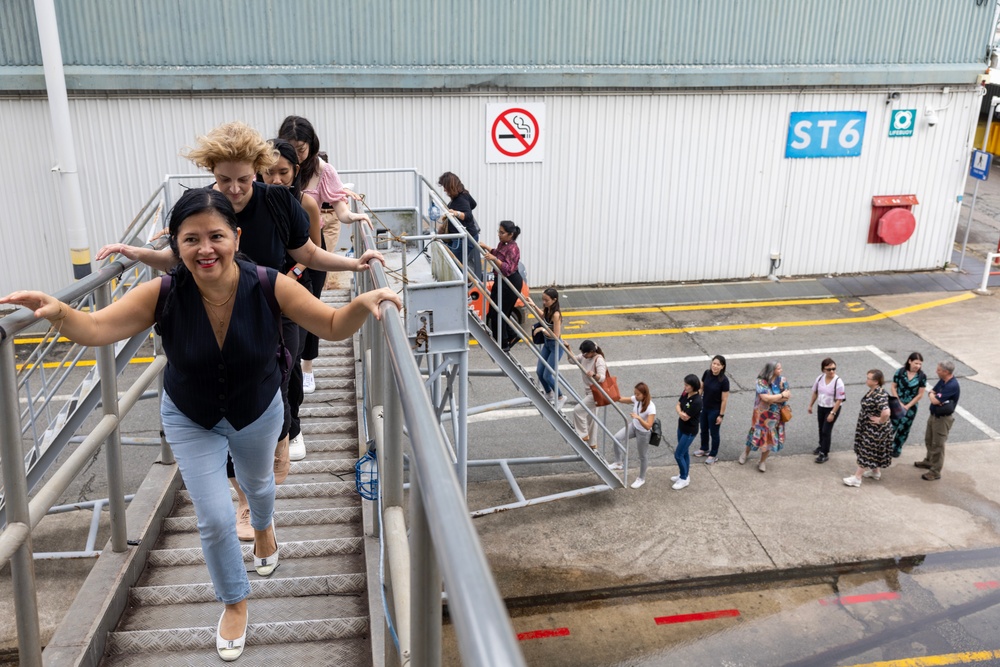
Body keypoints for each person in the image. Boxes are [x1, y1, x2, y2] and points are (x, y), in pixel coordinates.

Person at [1, 189, 401, 662]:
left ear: (236, 236)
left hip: (257, 411)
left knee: (259, 487)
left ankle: (266, 527)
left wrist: (365, 302)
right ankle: (234, 602)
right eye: (191, 239)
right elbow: (96, 329)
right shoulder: (164, 292)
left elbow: (332, 325)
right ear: (176, 245)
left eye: (216, 235)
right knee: (214, 518)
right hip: (191, 417)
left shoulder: (269, 283)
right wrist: (58, 310)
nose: (205, 248)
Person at [95, 121, 383, 537]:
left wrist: (353, 263)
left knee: (282, 382)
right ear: (213, 175)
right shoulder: (206, 207)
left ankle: (280, 436)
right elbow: (181, 257)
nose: (234, 189)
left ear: (259, 171)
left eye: (244, 180)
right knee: (225, 394)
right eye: (224, 180)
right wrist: (139, 253)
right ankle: (246, 503)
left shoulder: (280, 202)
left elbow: (306, 252)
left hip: (275, 303)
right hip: (217, 314)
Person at [277, 115, 369, 259]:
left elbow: (341, 210)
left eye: (301, 149)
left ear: (311, 144)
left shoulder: (323, 170)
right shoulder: (268, 168)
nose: (296, 155)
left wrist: (353, 215)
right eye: (290, 148)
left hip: (311, 244)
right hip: (279, 241)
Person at [843, 370, 894, 487]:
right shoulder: (875, 391)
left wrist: (880, 421)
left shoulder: (879, 395)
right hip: (870, 427)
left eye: (868, 378)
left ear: (876, 381)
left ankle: (857, 478)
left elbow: (886, 412)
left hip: (875, 430)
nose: (866, 380)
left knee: (866, 451)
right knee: (874, 450)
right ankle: (875, 472)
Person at [480, 220, 523, 350]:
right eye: (499, 231)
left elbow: (507, 269)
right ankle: (510, 335)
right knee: (494, 311)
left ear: (511, 234)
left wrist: (495, 259)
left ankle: (504, 343)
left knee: (501, 312)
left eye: (502, 232)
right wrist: (487, 247)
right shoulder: (503, 244)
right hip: (501, 280)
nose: (499, 234)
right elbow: (498, 253)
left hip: (510, 281)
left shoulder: (513, 248)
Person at [740, 361, 790, 473]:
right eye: (778, 368)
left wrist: (773, 398)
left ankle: (762, 461)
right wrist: (780, 395)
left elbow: (787, 397)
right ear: (772, 370)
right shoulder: (761, 381)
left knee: (770, 438)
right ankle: (746, 453)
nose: (781, 370)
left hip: (775, 416)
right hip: (761, 416)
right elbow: (765, 398)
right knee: (754, 436)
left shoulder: (782, 380)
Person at [915, 360, 960, 481]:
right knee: (929, 440)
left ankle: (935, 472)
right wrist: (932, 395)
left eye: (939, 370)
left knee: (938, 445)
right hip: (934, 415)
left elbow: (935, 400)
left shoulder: (952, 385)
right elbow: (932, 392)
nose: (936, 371)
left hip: (943, 419)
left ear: (946, 372)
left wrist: (932, 396)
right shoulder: (943, 380)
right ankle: (929, 461)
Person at [608, 382, 656, 490]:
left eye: (638, 394)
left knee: (642, 456)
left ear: (644, 394)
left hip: (643, 432)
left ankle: (641, 478)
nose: (635, 396)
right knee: (617, 438)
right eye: (635, 393)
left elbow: (649, 426)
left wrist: (638, 418)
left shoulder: (651, 407)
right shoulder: (636, 399)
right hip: (634, 427)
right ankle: (618, 463)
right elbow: (621, 399)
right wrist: (611, 393)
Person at [437, 171, 483, 282]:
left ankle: (461, 289)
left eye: (445, 187)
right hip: (462, 236)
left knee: (455, 265)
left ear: (451, 187)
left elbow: (468, 216)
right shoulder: (464, 194)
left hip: (463, 239)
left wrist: (456, 213)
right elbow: (474, 204)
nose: (444, 190)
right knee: (456, 263)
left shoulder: (461, 199)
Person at [807, 357, 846, 464]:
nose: (832, 371)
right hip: (821, 406)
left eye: (834, 368)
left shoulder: (838, 382)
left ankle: (824, 453)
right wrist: (811, 405)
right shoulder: (820, 378)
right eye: (829, 369)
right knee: (821, 428)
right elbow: (815, 392)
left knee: (826, 430)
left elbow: (840, 399)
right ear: (823, 370)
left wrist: (832, 413)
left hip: (832, 408)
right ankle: (821, 445)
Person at [533, 288, 566, 408]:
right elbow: (543, 317)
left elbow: (556, 335)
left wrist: (541, 329)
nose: (544, 302)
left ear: (554, 300)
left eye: (546, 300)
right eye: (543, 300)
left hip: (555, 346)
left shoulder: (556, 314)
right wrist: (533, 306)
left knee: (547, 375)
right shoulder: (548, 310)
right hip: (547, 344)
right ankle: (548, 393)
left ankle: (561, 397)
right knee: (539, 371)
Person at [571, 340, 608, 448]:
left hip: (596, 392)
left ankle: (583, 434)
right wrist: (568, 348)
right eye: (582, 353)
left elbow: (602, 378)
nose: (583, 355)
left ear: (592, 351)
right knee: (592, 419)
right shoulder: (584, 356)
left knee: (578, 410)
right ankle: (592, 444)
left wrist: (594, 374)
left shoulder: (599, 359)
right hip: (589, 391)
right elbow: (572, 360)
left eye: (586, 353)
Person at [890, 352, 927, 458]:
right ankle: (885, 445)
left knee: (904, 428)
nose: (918, 366)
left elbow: (920, 394)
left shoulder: (922, 376)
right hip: (897, 404)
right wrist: (898, 402)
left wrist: (907, 405)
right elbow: (893, 387)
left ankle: (897, 447)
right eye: (916, 363)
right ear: (910, 361)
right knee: (891, 426)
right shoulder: (900, 372)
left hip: (911, 407)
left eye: (920, 364)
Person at [694, 355, 729, 464]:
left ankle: (713, 454)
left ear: (722, 367)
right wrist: (698, 400)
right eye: (714, 363)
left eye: (718, 365)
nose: (715, 366)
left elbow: (724, 400)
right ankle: (704, 448)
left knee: (714, 433)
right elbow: (701, 387)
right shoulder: (707, 373)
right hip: (704, 407)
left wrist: (721, 415)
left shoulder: (724, 381)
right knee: (703, 429)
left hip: (715, 410)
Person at [672, 374, 703, 490]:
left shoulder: (697, 401)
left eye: (687, 385)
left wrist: (680, 413)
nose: (685, 387)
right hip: (681, 428)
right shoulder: (685, 393)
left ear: (693, 386)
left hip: (689, 431)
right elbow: (678, 405)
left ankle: (684, 478)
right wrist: (680, 412)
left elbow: (686, 417)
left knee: (678, 454)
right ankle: (683, 474)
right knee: (684, 453)